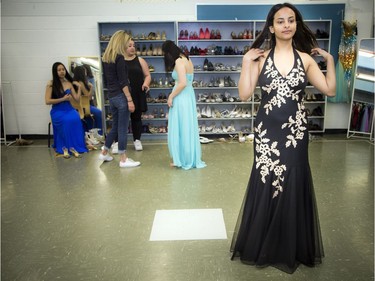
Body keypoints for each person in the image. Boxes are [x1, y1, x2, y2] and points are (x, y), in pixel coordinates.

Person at [230, 3, 336, 274]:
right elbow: (244, 94)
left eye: (291, 20)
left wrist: (331, 62)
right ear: (272, 27)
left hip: (296, 133)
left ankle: (290, 245)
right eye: (280, 21)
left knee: (292, 181)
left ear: (296, 25)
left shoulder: (307, 59)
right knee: (266, 180)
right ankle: (265, 242)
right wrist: (245, 62)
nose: (286, 25)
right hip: (267, 133)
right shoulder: (260, 58)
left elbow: (329, 90)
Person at [161, 40, 206, 170]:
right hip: (188, 96)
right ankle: (186, 156)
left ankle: (180, 159)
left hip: (181, 96)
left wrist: (171, 96)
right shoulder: (187, 59)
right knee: (187, 126)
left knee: (180, 127)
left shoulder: (179, 62)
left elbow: (182, 83)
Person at [99, 30, 141, 168]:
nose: (128, 45)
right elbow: (123, 82)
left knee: (116, 127)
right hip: (121, 97)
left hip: (111, 97)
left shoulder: (106, 58)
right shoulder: (119, 58)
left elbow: (107, 80)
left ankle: (105, 151)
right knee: (123, 128)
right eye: (126, 42)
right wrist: (129, 99)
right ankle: (123, 159)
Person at [45, 62, 88, 158]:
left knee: (76, 118)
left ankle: (76, 146)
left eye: (63, 69)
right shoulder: (51, 84)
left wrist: (80, 87)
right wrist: (63, 99)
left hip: (69, 109)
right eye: (59, 70)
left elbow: (77, 99)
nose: (61, 72)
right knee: (66, 121)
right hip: (57, 111)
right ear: (55, 72)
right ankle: (66, 147)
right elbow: (47, 101)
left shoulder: (69, 83)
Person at [124, 38, 152, 151]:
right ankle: (118, 142)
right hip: (124, 94)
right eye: (129, 46)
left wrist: (146, 83)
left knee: (136, 118)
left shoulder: (140, 60)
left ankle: (137, 140)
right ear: (123, 47)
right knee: (122, 119)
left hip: (137, 93)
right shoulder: (119, 61)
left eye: (133, 45)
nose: (132, 48)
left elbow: (148, 75)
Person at [72, 65, 103, 137]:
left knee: (90, 118)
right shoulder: (81, 83)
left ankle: (91, 134)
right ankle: (99, 133)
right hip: (84, 106)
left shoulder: (74, 82)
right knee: (99, 113)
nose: (86, 72)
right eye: (85, 71)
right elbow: (88, 97)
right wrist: (91, 87)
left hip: (80, 106)